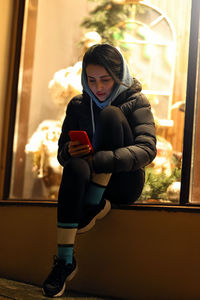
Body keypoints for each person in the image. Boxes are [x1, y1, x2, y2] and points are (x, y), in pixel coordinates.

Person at [42, 43, 157, 297]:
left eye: (105, 79)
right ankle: (65, 260)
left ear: (119, 76)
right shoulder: (78, 105)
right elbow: (62, 151)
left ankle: (94, 202)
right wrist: (68, 151)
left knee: (111, 116)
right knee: (74, 166)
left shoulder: (136, 100)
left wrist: (100, 159)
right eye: (91, 80)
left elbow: (147, 150)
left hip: (124, 184)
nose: (99, 87)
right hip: (88, 177)